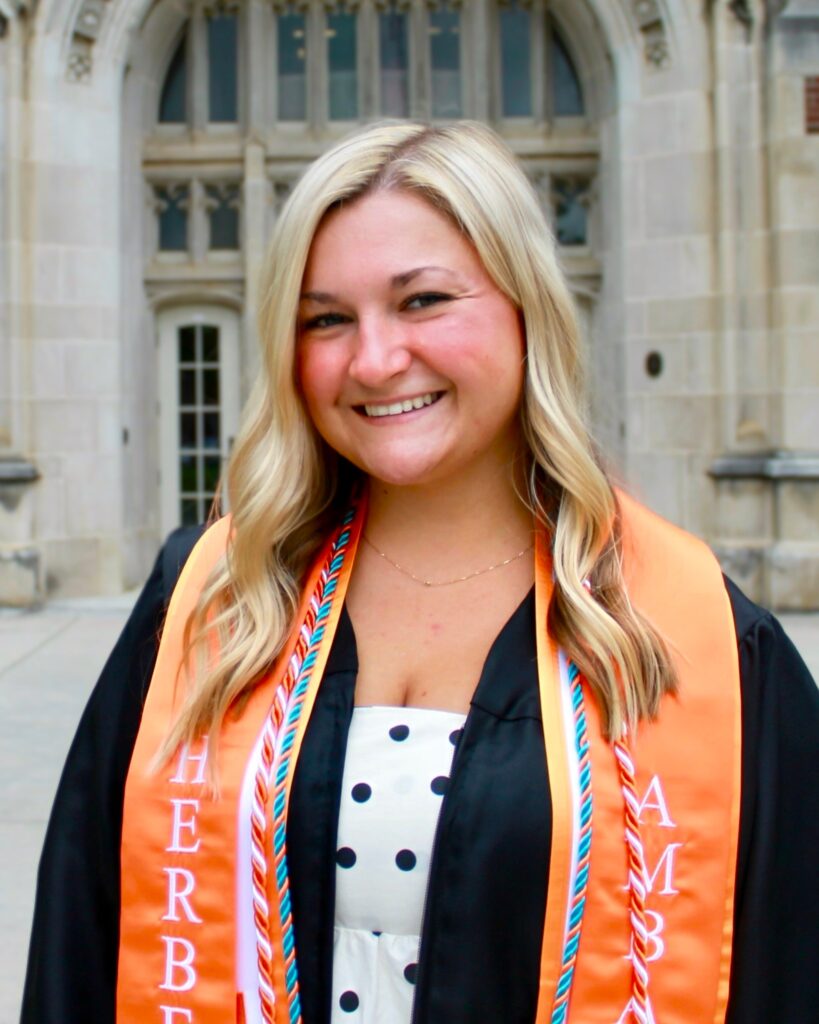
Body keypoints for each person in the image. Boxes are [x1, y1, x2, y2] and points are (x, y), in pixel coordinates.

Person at [21, 122, 819, 1024]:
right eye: (325, 318)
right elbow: (81, 945)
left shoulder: (700, 640)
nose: (372, 360)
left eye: (423, 300)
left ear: (526, 308)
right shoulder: (212, 602)